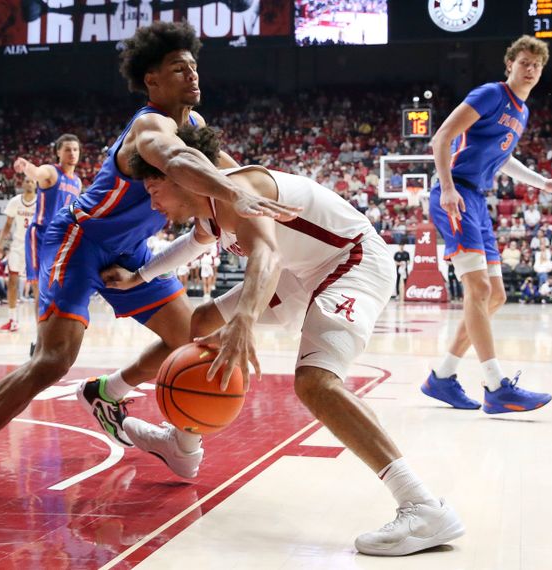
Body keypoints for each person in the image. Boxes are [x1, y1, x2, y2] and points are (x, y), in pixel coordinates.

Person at [0, 22, 298, 506]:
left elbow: (238, 171)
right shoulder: (149, 126)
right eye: (178, 68)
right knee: (54, 359)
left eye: (194, 65)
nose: (192, 73)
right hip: (80, 239)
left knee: (193, 340)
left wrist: (281, 198)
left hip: (130, 249)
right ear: (151, 80)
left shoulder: (196, 123)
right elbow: (179, 161)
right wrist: (233, 193)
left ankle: (111, 395)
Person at [101, 124, 464, 557]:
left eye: (155, 189)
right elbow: (192, 247)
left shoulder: (242, 188)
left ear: (182, 179)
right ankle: (182, 444)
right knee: (197, 323)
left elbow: (266, 256)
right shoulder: (206, 210)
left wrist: (246, 319)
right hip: (302, 272)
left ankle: (422, 504)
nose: (153, 202)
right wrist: (139, 276)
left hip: (352, 260)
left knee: (314, 383)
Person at [422, 35, 552, 413]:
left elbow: (501, 159)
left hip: (477, 200)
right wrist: (448, 189)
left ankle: (442, 377)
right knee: (478, 287)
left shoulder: (522, 112)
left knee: (496, 295)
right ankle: (495, 385)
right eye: (523, 62)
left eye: (536, 64)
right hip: (456, 194)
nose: (530, 68)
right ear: (510, 65)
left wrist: (543, 182)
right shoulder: (491, 94)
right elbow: (441, 139)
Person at [16, 134, 82, 351]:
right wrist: (26, 166)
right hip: (41, 236)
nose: (72, 153)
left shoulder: (77, 182)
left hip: (61, 241)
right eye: (67, 149)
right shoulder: (52, 173)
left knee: (58, 290)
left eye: (75, 149)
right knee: (41, 290)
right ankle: (40, 340)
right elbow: (37, 172)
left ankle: (53, 336)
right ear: (58, 152)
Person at [0, 176, 37, 332]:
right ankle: (12, 319)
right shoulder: (15, 201)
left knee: (36, 284)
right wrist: (0, 242)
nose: (30, 183)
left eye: (32, 181)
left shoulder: (41, 202)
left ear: (36, 184)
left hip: (34, 245)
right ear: (22, 184)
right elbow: (7, 225)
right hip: (18, 245)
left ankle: (41, 322)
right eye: (27, 181)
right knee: (12, 281)